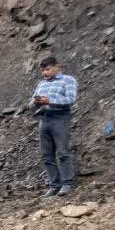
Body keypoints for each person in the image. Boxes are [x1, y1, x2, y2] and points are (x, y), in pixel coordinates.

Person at [32, 55, 78, 196]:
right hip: (44, 120)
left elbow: (70, 99)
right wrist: (35, 103)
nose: (44, 73)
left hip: (60, 118)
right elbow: (31, 101)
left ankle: (67, 184)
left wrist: (49, 101)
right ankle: (54, 185)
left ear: (57, 67)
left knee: (63, 152)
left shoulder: (68, 80)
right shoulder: (41, 84)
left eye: (47, 69)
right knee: (46, 155)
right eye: (42, 71)